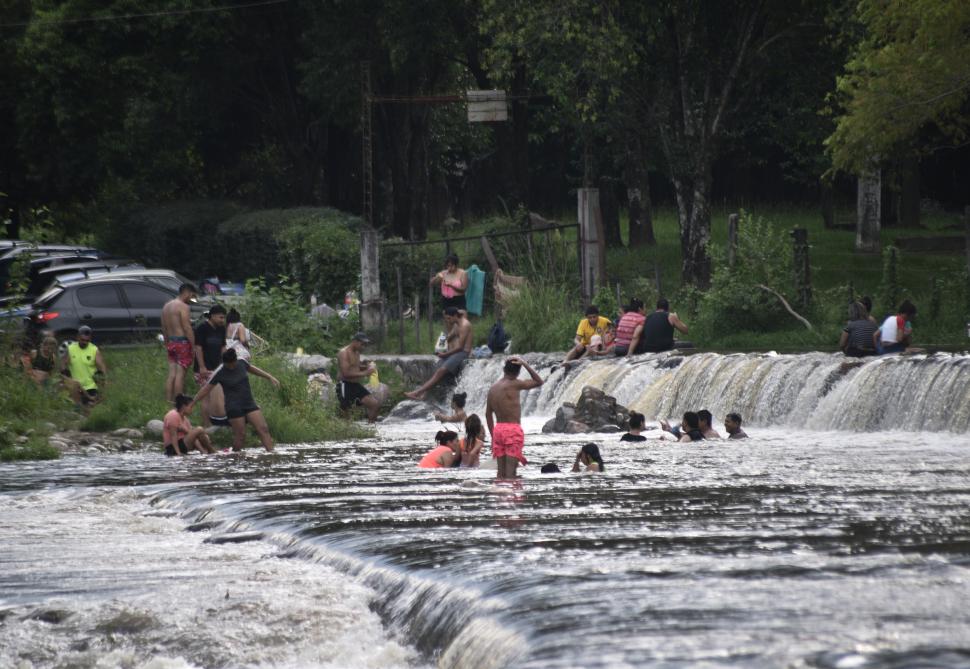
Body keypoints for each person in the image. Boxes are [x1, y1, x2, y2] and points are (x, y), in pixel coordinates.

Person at [190, 348, 280, 452]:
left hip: (248, 403)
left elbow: (251, 368)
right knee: (240, 436)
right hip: (233, 406)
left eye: (233, 364)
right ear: (224, 363)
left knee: (263, 428)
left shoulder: (241, 362)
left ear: (235, 360)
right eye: (228, 365)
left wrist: (269, 377)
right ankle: (235, 458)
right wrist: (193, 402)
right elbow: (205, 390)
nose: (231, 367)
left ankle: (271, 453)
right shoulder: (220, 372)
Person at [485, 356, 544, 479]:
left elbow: (488, 414)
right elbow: (539, 381)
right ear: (517, 372)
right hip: (512, 430)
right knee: (511, 474)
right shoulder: (515, 384)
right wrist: (525, 363)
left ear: (504, 369)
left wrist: (492, 436)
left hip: (498, 430)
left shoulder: (493, 388)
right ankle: (512, 497)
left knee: (500, 474)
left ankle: (499, 496)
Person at [405, 307, 473, 400]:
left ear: (455, 316)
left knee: (441, 371)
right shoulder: (457, 323)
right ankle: (424, 395)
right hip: (456, 352)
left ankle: (417, 393)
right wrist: (443, 345)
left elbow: (460, 347)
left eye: (449, 318)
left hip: (463, 352)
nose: (448, 321)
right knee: (437, 368)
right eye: (446, 319)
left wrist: (445, 355)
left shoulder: (465, 325)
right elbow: (450, 336)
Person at [161, 283, 197, 403]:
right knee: (180, 375)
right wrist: (193, 345)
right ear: (187, 292)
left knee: (172, 374)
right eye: (192, 296)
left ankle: (168, 400)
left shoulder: (166, 306)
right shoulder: (183, 306)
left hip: (171, 342)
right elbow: (187, 328)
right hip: (182, 342)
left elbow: (164, 327)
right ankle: (179, 402)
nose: (192, 299)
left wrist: (167, 342)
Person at [336, 332, 381, 422]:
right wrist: (366, 372)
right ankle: (344, 432)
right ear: (355, 341)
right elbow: (346, 373)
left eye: (365, 345)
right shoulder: (344, 353)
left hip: (355, 385)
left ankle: (371, 429)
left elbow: (355, 367)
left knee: (374, 404)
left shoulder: (357, 352)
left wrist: (367, 367)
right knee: (346, 415)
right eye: (362, 344)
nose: (363, 347)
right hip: (345, 385)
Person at [194, 305, 227, 426]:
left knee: (219, 395)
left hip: (218, 367)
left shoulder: (222, 328)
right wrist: (202, 367)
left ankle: (218, 422)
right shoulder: (202, 328)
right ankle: (207, 424)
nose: (222, 320)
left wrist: (226, 362)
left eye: (224, 318)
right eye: (220, 317)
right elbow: (198, 348)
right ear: (212, 316)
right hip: (204, 368)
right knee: (206, 397)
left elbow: (223, 347)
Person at [61, 326, 107, 407]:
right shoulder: (71, 348)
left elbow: (102, 366)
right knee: (76, 405)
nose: (85, 342)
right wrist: (65, 374)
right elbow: (63, 364)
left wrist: (103, 378)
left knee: (90, 405)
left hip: (90, 386)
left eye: (87, 340)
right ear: (77, 337)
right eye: (82, 340)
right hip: (75, 387)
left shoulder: (94, 349)